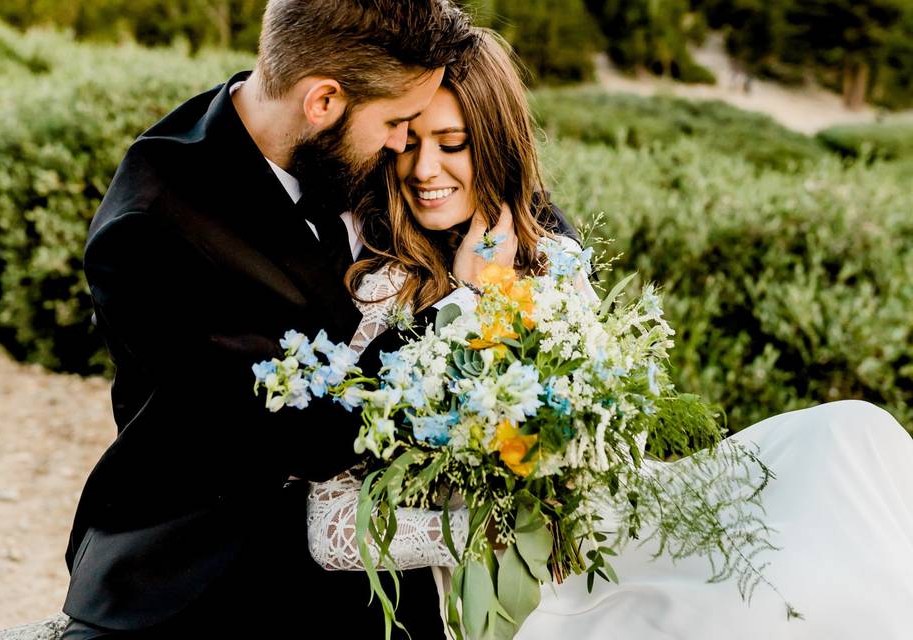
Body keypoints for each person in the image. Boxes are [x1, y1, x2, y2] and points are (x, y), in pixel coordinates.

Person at [305, 28, 913, 640]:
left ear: (494, 146)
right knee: (745, 613)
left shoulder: (553, 256)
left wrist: (580, 459)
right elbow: (327, 529)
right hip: (523, 580)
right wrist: (482, 529)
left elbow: (615, 432)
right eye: (407, 143)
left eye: (453, 143)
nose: (423, 168)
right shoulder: (380, 286)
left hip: (611, 523)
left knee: (853, 442)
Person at [61, 2, 480, 638]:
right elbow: (312, 433)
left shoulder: (318, 130)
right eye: (397, 123)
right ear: (323, 102)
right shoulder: (150, 234)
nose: (404, 145)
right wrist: (468, 305)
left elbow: (503, 194)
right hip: (202, 566)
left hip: (377, 552)